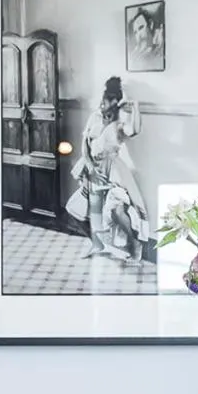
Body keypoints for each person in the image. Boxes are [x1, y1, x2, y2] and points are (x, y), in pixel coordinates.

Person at [70, 76, 150, 262]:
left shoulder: (119, 124)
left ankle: (134, 244)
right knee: (78, 209)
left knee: (117, 210)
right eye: (101, 101)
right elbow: (85, 143)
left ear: (114, 103)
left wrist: (135, 107)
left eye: (105, 102)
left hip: (113, 170)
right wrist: (90, 166)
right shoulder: (94, 117)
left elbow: (135, 131)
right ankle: (97, 243)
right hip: (92, 168)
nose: (101, 105)